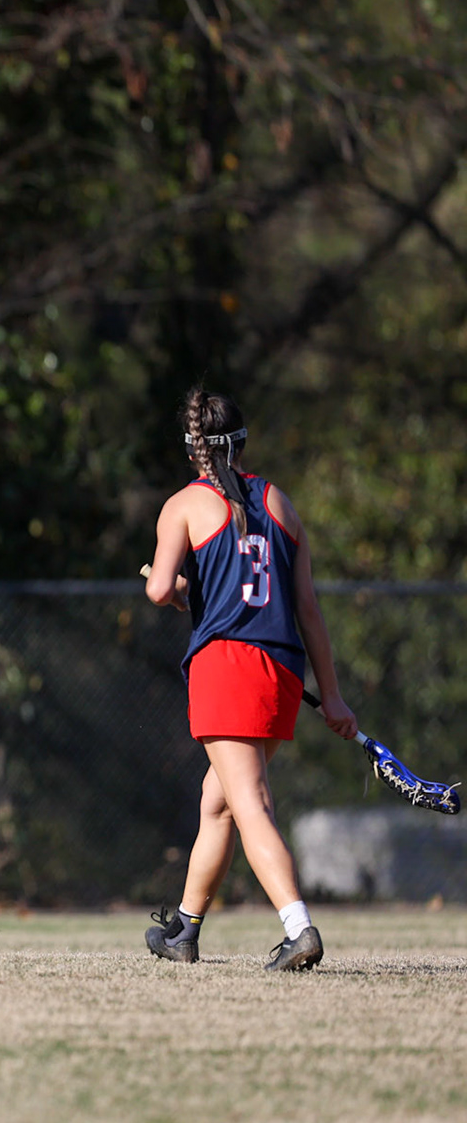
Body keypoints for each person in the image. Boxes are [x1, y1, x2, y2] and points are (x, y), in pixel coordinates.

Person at [142, 386, 357, 971]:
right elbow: (306, 608)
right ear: (241, 441)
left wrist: (179, 589)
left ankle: (298, 927)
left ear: (193, 450)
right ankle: (184, 929)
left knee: (249, 800)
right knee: (220, 800)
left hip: (226, 666)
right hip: (282, 669)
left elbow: (161, 589)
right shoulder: (280, 503)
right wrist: (332, 694)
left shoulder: (184, 505)